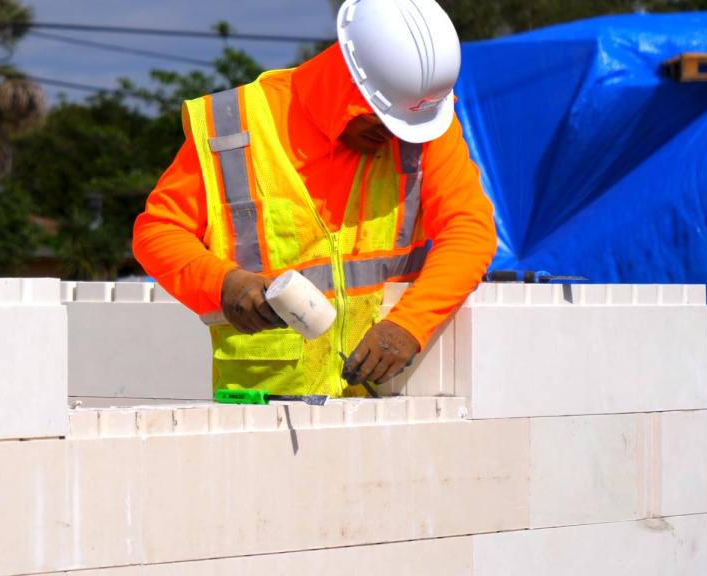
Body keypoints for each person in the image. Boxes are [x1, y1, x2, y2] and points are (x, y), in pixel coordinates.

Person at [132, 0, 496, 397]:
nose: (395, 137)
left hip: (383, 407)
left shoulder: (418, 123)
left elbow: (469, 231)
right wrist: (225, 283)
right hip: (265, 409)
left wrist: (410, 324)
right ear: (348, 79)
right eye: (379, 120)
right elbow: (159, 232)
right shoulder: (232, 127)